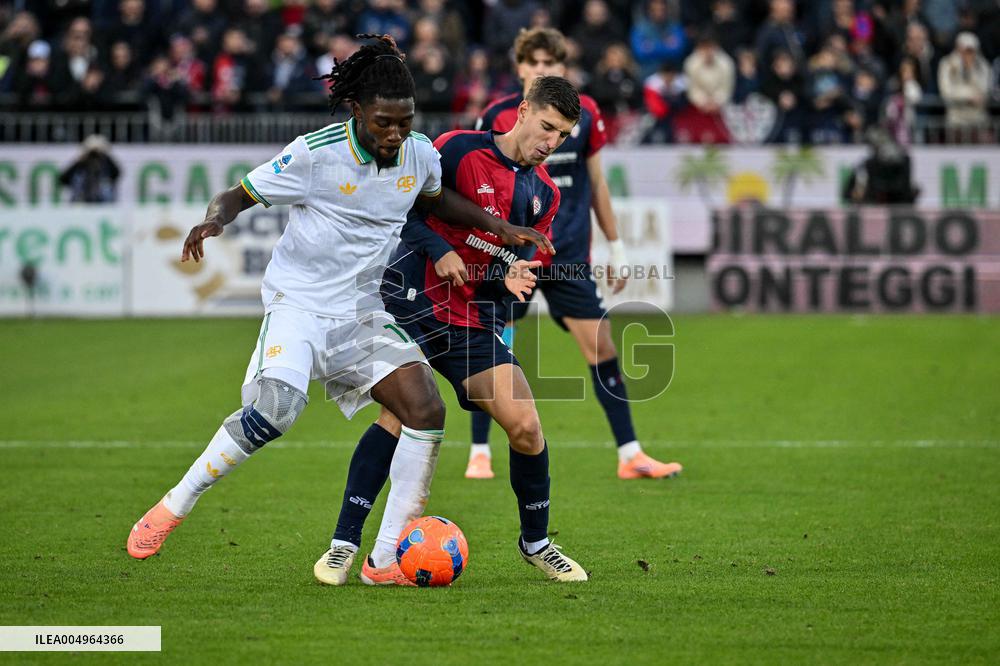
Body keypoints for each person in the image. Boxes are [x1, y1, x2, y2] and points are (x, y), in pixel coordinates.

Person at [125, 35, 552, 562]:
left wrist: (500, 227)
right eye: (383, 123)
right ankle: (175, 503)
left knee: (425, 408)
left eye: (405, 122)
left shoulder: (418, 154)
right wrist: (213, 220)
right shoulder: (315, 153)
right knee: (274, 412)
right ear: (357, 110)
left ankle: (387, 558)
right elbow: (238, 194)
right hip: (298, 305)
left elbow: (440, 199)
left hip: (361, 310)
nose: (395, 135)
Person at [315, 75, 588, 586]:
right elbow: (403, 213)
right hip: (410, 303)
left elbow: (506, 270)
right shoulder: (458, 150)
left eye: (564, 136)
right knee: (399, 416)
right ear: (523, 110)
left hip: (471, 322)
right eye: (547, 127)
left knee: (526, 428)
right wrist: (438, 250)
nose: (551, 143)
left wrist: (510, 279)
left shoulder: (544, 195)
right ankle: (343, 545)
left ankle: (537, 544)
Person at [470, 27, 683, 481]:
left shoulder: (584, 113)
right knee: (491, 344)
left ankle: (630, 454)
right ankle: (478, 451)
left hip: (566, 255)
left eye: (550, 62)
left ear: (562, 68)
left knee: (602, 345)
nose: (541, 69)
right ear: (520, 68)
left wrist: (618, 245)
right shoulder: (496, 114)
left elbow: (598, 183)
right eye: (533, 62)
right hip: (512, 258)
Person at [59, 135, 121, 203]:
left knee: (106, 185)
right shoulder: (80, 165)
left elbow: (117, 173)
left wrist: (105, 157)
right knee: (78, 178)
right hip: (82, 203)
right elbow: (63, 179)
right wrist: (80, 161)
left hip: (103, 203)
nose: (94, 156)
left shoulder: (106, 166)